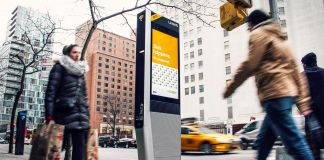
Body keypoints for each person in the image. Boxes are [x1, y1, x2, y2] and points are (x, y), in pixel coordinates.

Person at [223, 10, 314, 160]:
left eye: (248, 25)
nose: (248, 29)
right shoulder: (281, 40)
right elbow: (296, 73)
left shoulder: (258, 34)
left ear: (253, 23)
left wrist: (231, 87)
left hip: (274, 95)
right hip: (286, 95)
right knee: (263, 141)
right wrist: (303, 103)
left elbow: (250, 65)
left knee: (295, 143)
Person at [45, 44, 90, 160]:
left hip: (80, 116)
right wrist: (49, 116)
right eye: (74, 52)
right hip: (63, 113)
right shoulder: (59, 68)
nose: (77, 55)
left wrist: (87, 115)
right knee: (55, 148)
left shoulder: (80, 71)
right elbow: (51, 92)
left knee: (80, 149)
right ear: (68, 53)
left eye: (79, 53)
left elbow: (84, 96)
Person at [302, 52, 324, 160]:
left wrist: (303, 109)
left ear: (305, 64)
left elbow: (299, 96)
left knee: (314, 151)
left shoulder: (303, 76)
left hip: (311, 117)